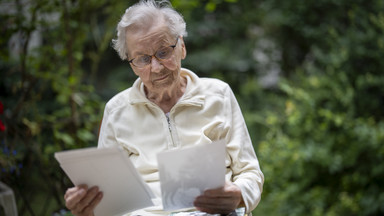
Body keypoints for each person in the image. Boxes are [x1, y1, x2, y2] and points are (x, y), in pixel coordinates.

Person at [63, 0, 264, 215]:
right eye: (143, 59)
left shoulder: (218, 95)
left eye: (163, 52)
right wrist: (88, 208)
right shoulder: (116, 111)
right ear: (132, 65)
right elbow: (108, 197)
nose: (156, 68)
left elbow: (250, 173)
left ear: (182, 47)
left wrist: (239, 194)